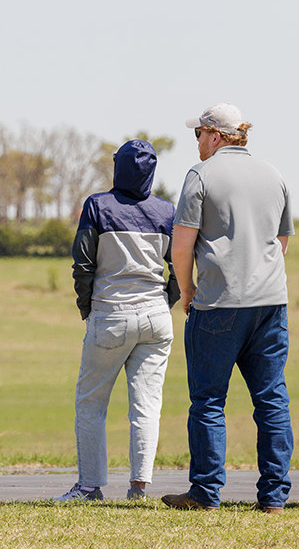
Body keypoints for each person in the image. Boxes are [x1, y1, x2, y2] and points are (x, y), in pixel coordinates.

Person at [161, 103, 294, 515]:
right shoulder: (274, 174)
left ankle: (205, 492)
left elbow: (181, 245)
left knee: (207, 401)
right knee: (271, 400)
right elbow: (282, 241)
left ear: (216, 136)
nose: (197, 141)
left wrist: (186, 290)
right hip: (271, 302)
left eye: (199, 133)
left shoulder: (201, 175)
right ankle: (273, 497)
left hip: (218, 302)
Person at [56, 139, 180, 503]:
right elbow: (182, 265)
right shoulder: (166, 210)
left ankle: (90, 486)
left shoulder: (97, 206)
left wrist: (87, 308)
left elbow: (83, 264)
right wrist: (167, 301)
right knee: (146, 405)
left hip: (110, 314)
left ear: (118, 167)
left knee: (91, 404)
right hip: (156, 317)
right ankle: (139, 487)